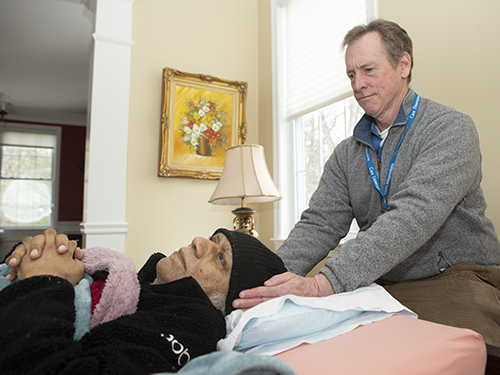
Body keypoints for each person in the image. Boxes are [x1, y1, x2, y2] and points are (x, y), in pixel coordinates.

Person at [234, 19, 500, 346]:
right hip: (379, 282)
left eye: (368, 70)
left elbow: (412, 218)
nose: (358, 84)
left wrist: (323, 284)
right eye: (351, 74)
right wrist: (265, 284)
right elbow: (318, 225)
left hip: (456, 276)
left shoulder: (450, 129)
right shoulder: (347, 154)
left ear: (404, 64)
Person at [0, 228, 287, 375]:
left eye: (221, 257)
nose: (199, 241)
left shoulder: (194, 323)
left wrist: (45, 279)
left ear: (232, 299)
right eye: (212, 239)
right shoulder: (137, 284)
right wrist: (32, 255)